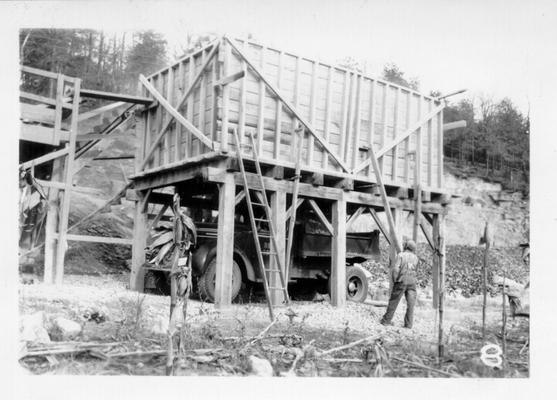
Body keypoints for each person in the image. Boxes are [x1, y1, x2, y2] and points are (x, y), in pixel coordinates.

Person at [380, 239, 419, 329]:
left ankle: (386, 321)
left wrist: (395, 280)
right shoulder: (415, 258)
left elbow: (396, 269)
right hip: (412, 282)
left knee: (394, 301)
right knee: (411, 304)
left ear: (405, 246)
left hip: (402, 280)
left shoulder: (401, 255)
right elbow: (416, 270)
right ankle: (408, 325)